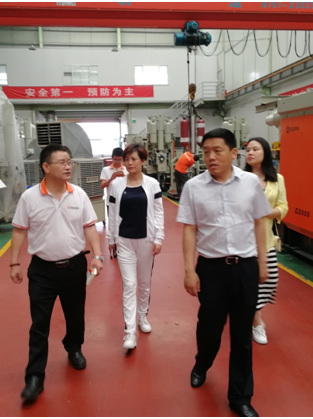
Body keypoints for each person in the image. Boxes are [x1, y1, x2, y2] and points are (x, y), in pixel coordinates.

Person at [176, 128, 271, 417]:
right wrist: (189, 270)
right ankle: (202, 363)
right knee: (209, 328)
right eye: (206, 152)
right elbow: (189, 229)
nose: (211, 157)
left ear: (233, 153)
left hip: (245, 267)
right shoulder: (194, 187)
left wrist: (262, 263)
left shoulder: (250, 183)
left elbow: (259, 222)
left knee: (242, 335)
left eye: (217, 151)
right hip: (211, 269)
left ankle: (240, 397)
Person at [10, 144, 105, 405]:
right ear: (46, 167)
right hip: (42, 270)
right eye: (62, 162)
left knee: (75, 316)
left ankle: (74, 347)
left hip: (74, 266)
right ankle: (34, 378)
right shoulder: (29, 198)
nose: (68, 166)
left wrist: (97, 256)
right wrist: (14, 263)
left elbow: (90, 227)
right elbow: (19, 230)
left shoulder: (79, 194)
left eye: (69, 162)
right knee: (39, 324)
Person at [106, 144, 165, 350]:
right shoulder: (116, 185)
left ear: (143, 161)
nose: (129, 163)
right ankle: (130, 332)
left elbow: (158, 212)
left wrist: (159, 237)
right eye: (127, 159)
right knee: (129, 285)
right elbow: (111, 213)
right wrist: (111, 238)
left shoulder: (152, 184)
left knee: (144, 283)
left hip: (146, 240)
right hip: (124, 241)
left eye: (134, 159)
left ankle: (142, 317)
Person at [245, 137, 288, 345]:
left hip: (267, 240)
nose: (250, 153)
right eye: (248, 149)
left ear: (265, 153)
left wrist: (267, 212)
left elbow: (283, 206)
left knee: (269, 280)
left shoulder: (277, 179)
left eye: (255, 149)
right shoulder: (241, 178)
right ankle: (256, 322)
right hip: (244, 241)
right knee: (249, 283)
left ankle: (252, 313)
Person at [100, 147, 129, 225]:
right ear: (112, 158)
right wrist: (111, 179)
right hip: (111, 202)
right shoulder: (105, 170)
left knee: (125, 224)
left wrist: (124, 176)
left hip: (124, 201)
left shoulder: (126, 170)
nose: (117, 162)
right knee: (112, 224)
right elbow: (102, 186)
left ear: (123, 159)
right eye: (115, 159)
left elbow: (131, 185)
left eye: (120, 160)